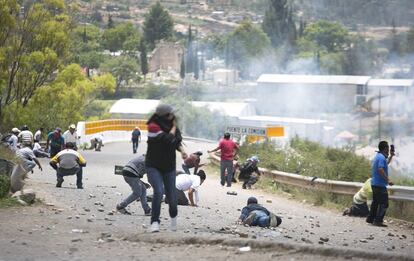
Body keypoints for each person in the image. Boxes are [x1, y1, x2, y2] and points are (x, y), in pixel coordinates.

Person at [145, 103, 187, 233]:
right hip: (153, 165)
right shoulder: (153, 126)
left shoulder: (172, 126)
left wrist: (182, 151)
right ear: (164, 115)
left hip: (169, 166)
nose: (173, 116)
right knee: (158, 191)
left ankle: (173, 218)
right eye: (170, 114)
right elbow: (168, 139)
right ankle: (155, 222)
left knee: (172, 197)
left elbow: (176, 142)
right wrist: (174, 126)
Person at [366, 141, 394, 227]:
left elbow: (386, 163)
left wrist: (391, 156)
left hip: (375, 183)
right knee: (384, 203)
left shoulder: (379, 156)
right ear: (385, 148)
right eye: (388, 149)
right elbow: (380, 169)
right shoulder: (381, 157)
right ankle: (378, 221)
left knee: (376, 202)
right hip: (379, 184)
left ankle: (370, 219)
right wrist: (388, 180)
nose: (388, 150)